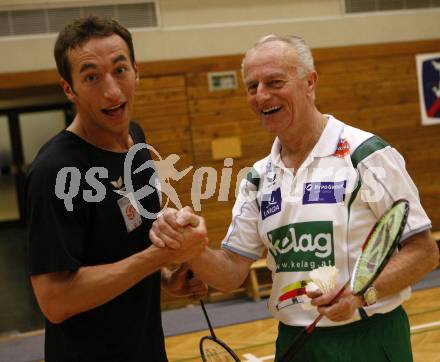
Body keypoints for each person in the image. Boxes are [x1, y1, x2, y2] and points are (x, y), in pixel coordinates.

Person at [150, 34, 440, 361]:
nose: (261, 95)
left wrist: (361, 295)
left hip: (370, 339)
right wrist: (193, 248)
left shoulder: (366, 155)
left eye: (274, 82)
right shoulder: (258, 178)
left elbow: (424, 252)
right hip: (294, 342)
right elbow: (231, 272)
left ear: (310, 82)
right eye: (251, 87)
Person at [25, 16, 208, 362]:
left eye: (120, 70)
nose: (111, 90)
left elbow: (130, 244)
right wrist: (161, 256)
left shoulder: (135, 140)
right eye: (91, 77)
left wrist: (169, 278)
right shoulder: (55, 171)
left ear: (137, 72)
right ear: (69, 89)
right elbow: (55, 301)